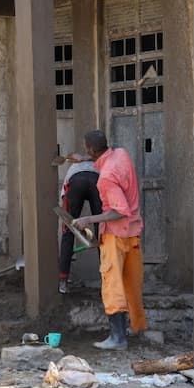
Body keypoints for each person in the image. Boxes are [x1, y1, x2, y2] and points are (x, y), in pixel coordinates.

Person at [72, 130, 145, 350]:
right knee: (132, 283)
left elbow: (119, 210)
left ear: (93, 150)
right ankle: (138, 328)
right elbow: (106, 158)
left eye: (87, 149)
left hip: (115, 234)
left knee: (112, 284)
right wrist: (86, 158)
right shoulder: (121, 154)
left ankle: (117, 338)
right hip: (132, 232)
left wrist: (88, 219)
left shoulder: (105, 179)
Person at [58, 155, 102, 294]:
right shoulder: (100, 164)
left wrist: (68, 223)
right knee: (102, 232)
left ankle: (63, 282)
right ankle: (107, 282)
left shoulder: (73, 167)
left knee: (68, 231)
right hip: (96, 180)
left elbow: (64, 196)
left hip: (75, 182)